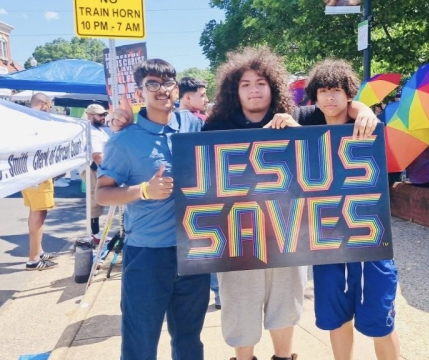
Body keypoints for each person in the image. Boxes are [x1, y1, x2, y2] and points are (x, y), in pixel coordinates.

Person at [203, 47, 378, 360]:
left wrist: (364, 111)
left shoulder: (298, 118)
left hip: (289, 232)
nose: (254, 89)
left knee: (285, 302)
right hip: (238, 237)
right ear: (235, 89)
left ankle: (284, 357)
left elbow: (338, 108)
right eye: (246, 84)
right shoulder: (217, 127)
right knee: (239, 305)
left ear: (273, 86)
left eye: (261, 82)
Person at [265, 59, 400, 360]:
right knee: (336, 318)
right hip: (325, 240)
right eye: (323, 90)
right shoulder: (306, 120)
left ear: (348, 93)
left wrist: (363, 109)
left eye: (336, 90)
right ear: (315, 95)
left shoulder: (364, 124)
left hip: (367, 240)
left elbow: (360, 116)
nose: (330, 97)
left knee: (380, 320)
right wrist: (282, 124)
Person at [95, 59, 210, 359]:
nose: (161, 90)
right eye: (152, 84)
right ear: (140, 92)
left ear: (176, 88)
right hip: (147, 255)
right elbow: (103, 194)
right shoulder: (124, 141)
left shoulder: (193, 125)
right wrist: (144, 190)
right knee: (140, 343)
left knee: (189, 340)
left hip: (193, 252)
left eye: (167, 83)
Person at [22, 93, 59, 270]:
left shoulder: (24, 118)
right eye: (49, 106)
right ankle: (34, 258)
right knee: (39, 214)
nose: (50, 109)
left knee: (35, 212)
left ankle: (38, 250)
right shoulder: (36, 121)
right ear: (43, 104)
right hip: (38, 174)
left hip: (29, 173)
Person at [82, 104, 110, 243]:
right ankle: (94, 234)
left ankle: (96, 232)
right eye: (100, 115)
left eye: (104, 115)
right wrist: (108, 171)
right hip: (92, 168)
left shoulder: (98, 129)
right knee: (95, 199)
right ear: (91, 116)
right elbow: (97, 156)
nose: (104, 117)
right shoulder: (92, 132)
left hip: (96, 168)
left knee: (98, 200)